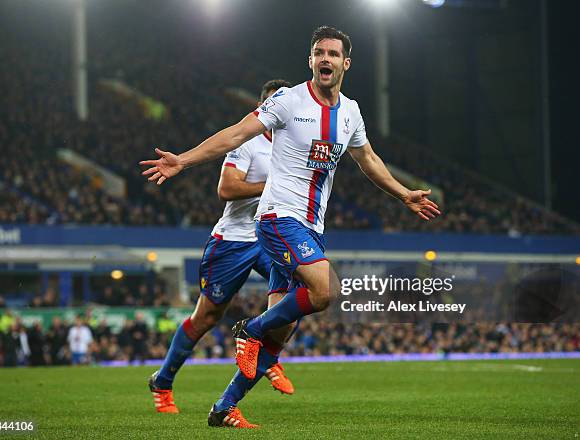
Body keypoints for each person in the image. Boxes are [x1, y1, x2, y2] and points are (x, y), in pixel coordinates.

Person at [140, 26, 441, 428]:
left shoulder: (350, 112)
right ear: (310, 60)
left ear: (346, 63)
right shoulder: (287, 100)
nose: (326, 59)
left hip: (311, 226)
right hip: (278, 219)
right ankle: (245, 332)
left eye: (334, 53)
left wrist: (403, 194)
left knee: (281, 335)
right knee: (325, 289)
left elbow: (367, 157)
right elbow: (235, 134)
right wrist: (184, 160)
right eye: (319, 52)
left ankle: (224, 406)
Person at [147, 79, 297, 415]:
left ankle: (265, 353)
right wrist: (273, 186)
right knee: (206, 317)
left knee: (303, 292)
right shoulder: (248, 141)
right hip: (234, 240)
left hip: (271, 237)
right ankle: (163, 381)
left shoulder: (295, 145)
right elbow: (227, 189)